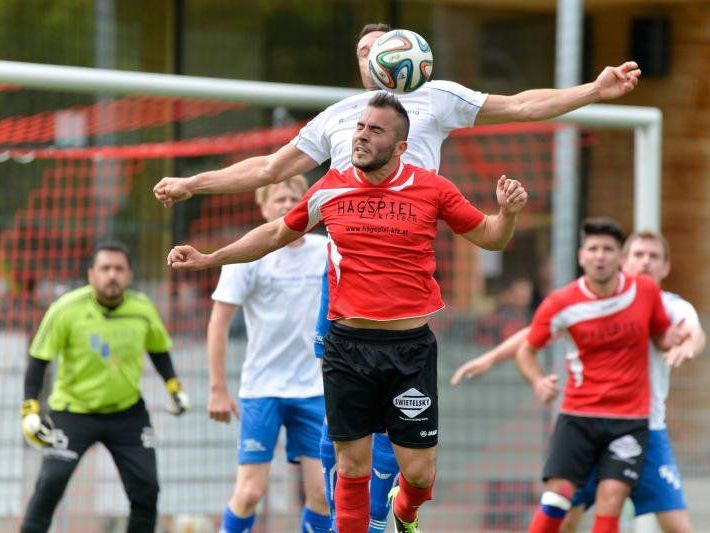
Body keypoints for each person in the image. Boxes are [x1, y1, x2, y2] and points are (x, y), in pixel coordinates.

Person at [154, 22, 641, 530]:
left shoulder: (438, 102)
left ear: (412, 60)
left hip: (409, 278)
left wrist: (593, 90)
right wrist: (194, 184)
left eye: (383, 48)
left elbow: (519, 104)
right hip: (345, 290)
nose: (374, 59)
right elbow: (268, 172)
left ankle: (396, 511)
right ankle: (349, 520)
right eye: (364, 51)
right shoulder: (341, 123)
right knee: (343, 441)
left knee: (413, 463)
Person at [166, 93, 528, 533]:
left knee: (418, 474)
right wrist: (209, 258)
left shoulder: (433, 189)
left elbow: (490, 237)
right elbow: (276, 232)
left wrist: (507, 214)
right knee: (350, 467)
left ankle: (405, 513)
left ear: (399, 147)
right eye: (360, 127)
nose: (361, 135)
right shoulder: (331, 186)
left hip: (409, 349)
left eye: (375, 131)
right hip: (348, 346)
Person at [450, 230, 705, 532]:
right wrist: (491, 357)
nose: (646, 262)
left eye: (654, 257)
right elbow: (539, 331)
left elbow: (693, 331)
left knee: (677, 524)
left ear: (666, 267)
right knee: (566, 515)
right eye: (639, 255)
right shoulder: (596, 302)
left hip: (646, 428)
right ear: (623, 260)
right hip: (591, 423)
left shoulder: (671, 304)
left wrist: (689, 345)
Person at [515, 218, 685, 533]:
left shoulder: (645, 291)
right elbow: (526, 351)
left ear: (620, 258)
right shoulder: (561, 303)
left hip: (629, 420)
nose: (600, 255)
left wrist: (672, 340)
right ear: (581, 256)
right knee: (557, 499)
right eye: (593, 248)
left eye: (608, 249)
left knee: (611, 499)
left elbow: (660, 333)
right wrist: (538, 380)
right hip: (578, 416)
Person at [20, 242, 189, 533]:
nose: (112, 275)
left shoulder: (142, 309)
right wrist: (29, 411)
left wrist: (174, 387)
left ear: (130, 276)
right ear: (91, 274)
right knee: (49, 485)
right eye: (105, 268)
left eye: (119, 269)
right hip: (72, 413)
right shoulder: (65, 309)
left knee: (146, 490)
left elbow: (158, 350)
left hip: (127, 414)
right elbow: (38, 360)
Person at [207, 175, 331, 533]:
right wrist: (217, 387)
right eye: (278, 198)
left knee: (322, 494)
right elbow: (219, 322)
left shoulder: (326, 251)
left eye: (295, 197)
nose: (286, 204)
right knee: (249, 492)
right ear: (262, 207)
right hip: (262, 390)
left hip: (314, 390)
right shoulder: (247, 254)